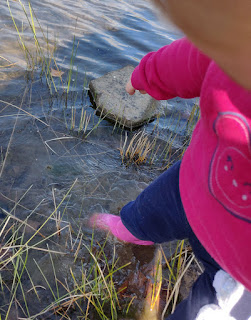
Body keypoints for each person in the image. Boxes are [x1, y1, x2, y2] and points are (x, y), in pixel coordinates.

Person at [90, 0, 251, 319]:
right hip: (193, 180)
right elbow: (190, 58)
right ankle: (131, 226)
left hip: (235, 265)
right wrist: (143, 76)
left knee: (210, 307)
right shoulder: (234, 38)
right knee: (150, 208)